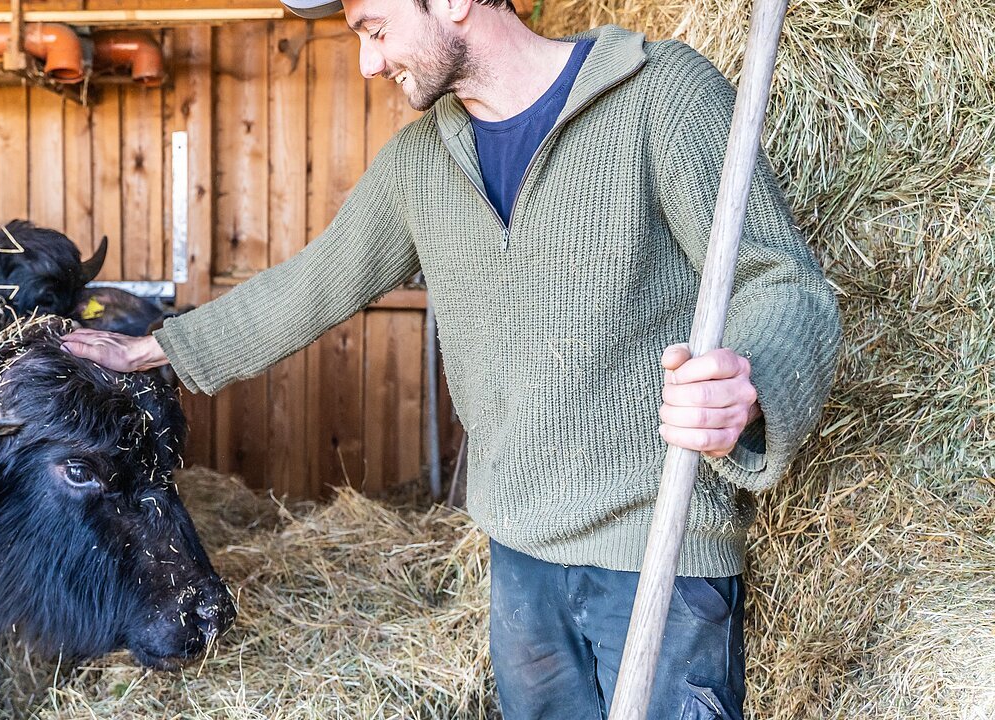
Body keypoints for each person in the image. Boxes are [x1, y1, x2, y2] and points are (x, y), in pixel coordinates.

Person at [61, 0, 840, 717]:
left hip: (659, 557)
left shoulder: (658, 96)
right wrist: (158, 348)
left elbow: (783, 283)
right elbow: (311, 284)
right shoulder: (420, 164)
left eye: (374, 27)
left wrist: (749, 377)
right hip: (519, 566)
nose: (369, 63)